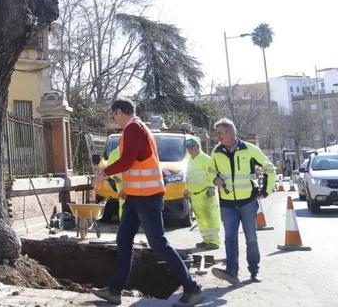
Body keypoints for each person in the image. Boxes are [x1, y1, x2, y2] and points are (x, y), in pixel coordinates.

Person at [92, 99, 203, 306]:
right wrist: (127, 188)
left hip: (147, 197)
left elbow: (126, 161)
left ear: (119, 112)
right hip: (136, 196)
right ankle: (115, 291)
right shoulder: (136, 129)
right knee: (124, 239)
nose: (113, 118)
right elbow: (137, 163)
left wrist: (103, 174)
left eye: (113, 115)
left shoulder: (134, 128)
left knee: (158, 243)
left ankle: (192, 288)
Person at [209, 118, 275, 284]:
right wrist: (214, 179)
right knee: (230, 238)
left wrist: (265, 191)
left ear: (230, 132)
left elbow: (269, 168)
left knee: (251, 237)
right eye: (217, 134)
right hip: (227, 203)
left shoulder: (250, 149)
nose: (218, 137)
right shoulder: (216, 152)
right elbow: (210, 170)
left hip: (247, 202)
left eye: (220, 133)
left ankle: (254, 271)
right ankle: (232, 272)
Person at [183, 137, 221, 250]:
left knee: (211, 218)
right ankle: (206, 240)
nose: (189, 150)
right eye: (187, 148)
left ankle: (214, 241)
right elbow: (188, 177)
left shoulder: (206, 159)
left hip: (206, 193)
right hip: (195, 195)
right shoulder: (190, 160)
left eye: (191, 147)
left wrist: (211, 187)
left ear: (197, 147)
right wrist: (186, 189)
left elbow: (212, 175)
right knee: (201, 219)